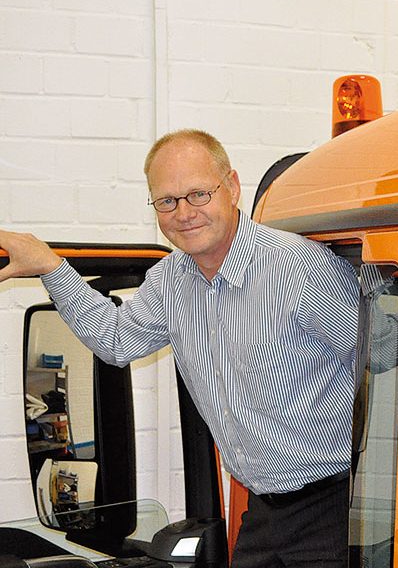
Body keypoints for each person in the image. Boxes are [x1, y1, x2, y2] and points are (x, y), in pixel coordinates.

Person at [0, 129, 358, 567]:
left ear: (232, 186)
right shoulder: (170, 281)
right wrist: (50, 265)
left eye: (198, 194)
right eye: (167, 201)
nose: (183, 213)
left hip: (337, 505)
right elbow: (115, 341)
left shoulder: (301, 270)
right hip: (264, 509)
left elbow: (385, 366)